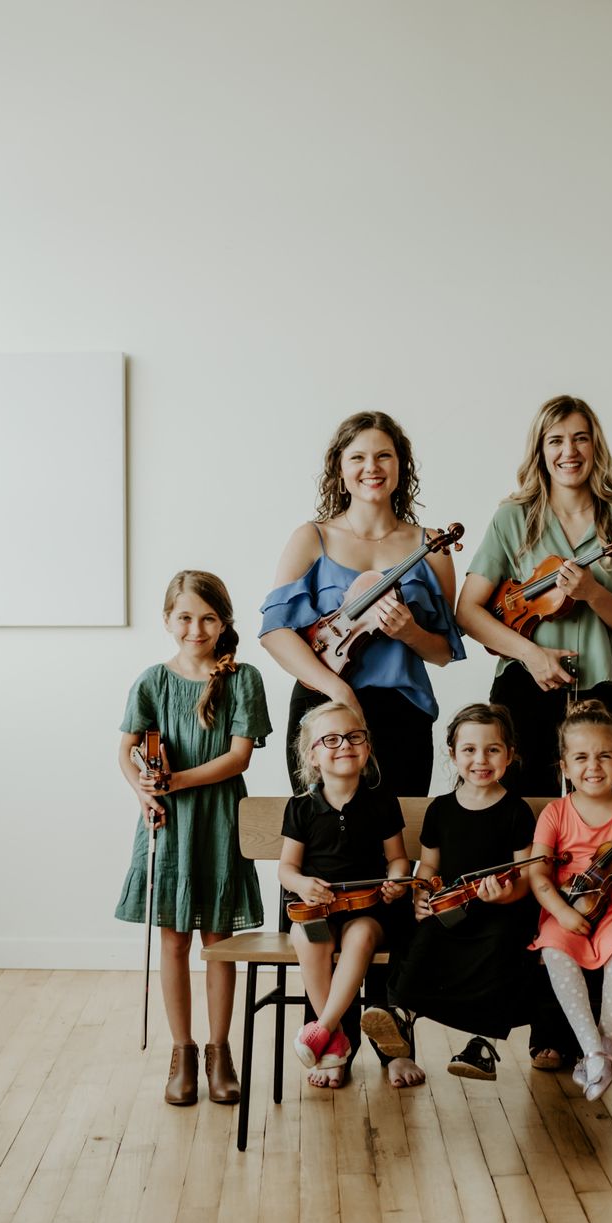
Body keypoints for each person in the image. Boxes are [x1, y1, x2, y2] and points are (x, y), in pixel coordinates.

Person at [454, 396, 612, 1073]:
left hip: (603, 694)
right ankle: (510, 1022)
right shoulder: (514, 518)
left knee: (594, 855)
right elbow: (469, 611)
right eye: (555, 441)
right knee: (526, 851)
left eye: (580, 439)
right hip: (526, 691)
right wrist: (531, 655)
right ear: (539, 449)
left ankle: (573, 1036)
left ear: (595, 446)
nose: (568, 451)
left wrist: (593, 593)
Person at [260, 410, 460, 1087]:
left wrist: (408, 632)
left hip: (401, 716)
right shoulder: (311, 537)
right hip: (324, 706)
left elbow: (446, 649)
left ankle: (391, 1033)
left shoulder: (430, 545)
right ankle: (332, 1034)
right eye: (357, 458)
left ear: (402, 466)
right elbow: (275, 633)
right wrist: (334, 692)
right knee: (319, 853)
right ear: (339, 469)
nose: (371, 468)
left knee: (393, 864)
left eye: (384, 456)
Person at [114, 570, 271, 1107]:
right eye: (185, 616)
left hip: (221, 819)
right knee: (174, 941)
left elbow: (238, 757)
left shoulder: (242, 679)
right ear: (167, 621)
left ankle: (219, 1051)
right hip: (168, 824)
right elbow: (128, 749)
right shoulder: (151, 682)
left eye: (207, 617)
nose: (195, 627)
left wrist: (177, 780)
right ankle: (181, 1052)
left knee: (218, 942)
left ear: (223, 621)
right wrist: (145, 792)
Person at [367, 704, 542, 1081]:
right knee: (423, 937)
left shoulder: (517, 812)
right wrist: (422, 893)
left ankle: (483, 1044)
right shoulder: (441, 810)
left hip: (501, 912)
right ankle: (401, 1016)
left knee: (502, 943)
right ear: (452, 754)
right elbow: (429, 868)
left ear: (509, 755)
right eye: (469, 750)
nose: (481, 759)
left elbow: (527, 877)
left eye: (493, 749)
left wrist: (505, 896)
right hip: (453, 910)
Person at [525, 700, 612, 1102]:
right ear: (565, 767)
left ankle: (602, 1046)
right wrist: (560, 913)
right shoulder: (555, 813)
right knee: (553, 948)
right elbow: (538, 874)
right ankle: (592, 1047)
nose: (594, 766)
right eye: (582, 757)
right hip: (567, 909)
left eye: (605, 756)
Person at [277, 702, 414, 1090]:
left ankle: (322, 1033)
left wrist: (398, 880)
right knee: (307, 937)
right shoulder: (301, 807)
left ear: (367, 748)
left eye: (354, 737)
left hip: (368, 908)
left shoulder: (381, 800)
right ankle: (335, 1043)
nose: (345, 745)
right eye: (331, 739)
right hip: (317, 912)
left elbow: (398, 859)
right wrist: (303, 884)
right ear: (313, 755)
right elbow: (287, 869)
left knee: (362, 937)